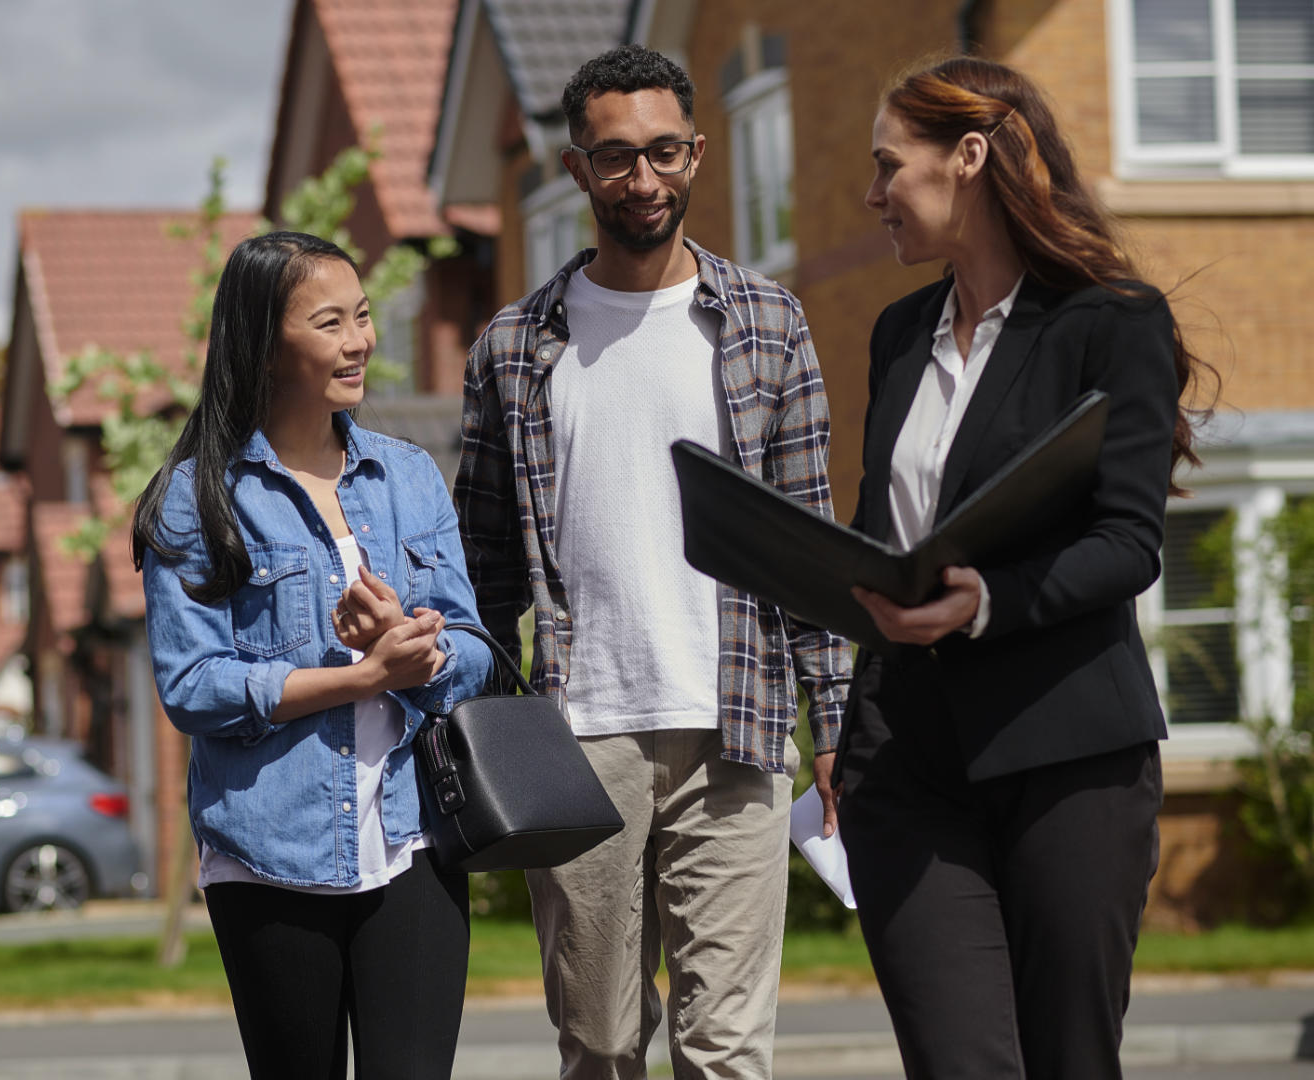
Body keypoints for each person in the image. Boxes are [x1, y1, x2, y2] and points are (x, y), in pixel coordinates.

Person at [455, 44, 850, 1079]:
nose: (645, 180)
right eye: (617, 157)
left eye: (665, 153)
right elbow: (484, 567)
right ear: (578, 169)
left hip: (741, 722)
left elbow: (811, 542)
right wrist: (477, 734)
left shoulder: (768, 323)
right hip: (578, 736)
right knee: (599, 1045)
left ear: (698, 153)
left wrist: (839, 728)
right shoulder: (512, 345)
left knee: (727, 1049)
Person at [838, 56, 1211, 1079]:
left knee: (1069, 1062)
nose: (874, 197)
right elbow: (886, 526)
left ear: (968, 157)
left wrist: (983, 603)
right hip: (904, 761)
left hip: (1066, 756)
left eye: (888, 167)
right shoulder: (898, 333)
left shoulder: (1110, 322)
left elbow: (1128, 543)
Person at [135, 229, 493, 1079]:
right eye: (330, 323)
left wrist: (421, 653)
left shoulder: (408, 477)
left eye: (363, 317)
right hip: (268, 855)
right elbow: (193, 686)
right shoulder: (195, 499)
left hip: (411, 843)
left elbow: (477, 647)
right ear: (264, 343)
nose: (360, 341)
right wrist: (362, 676)